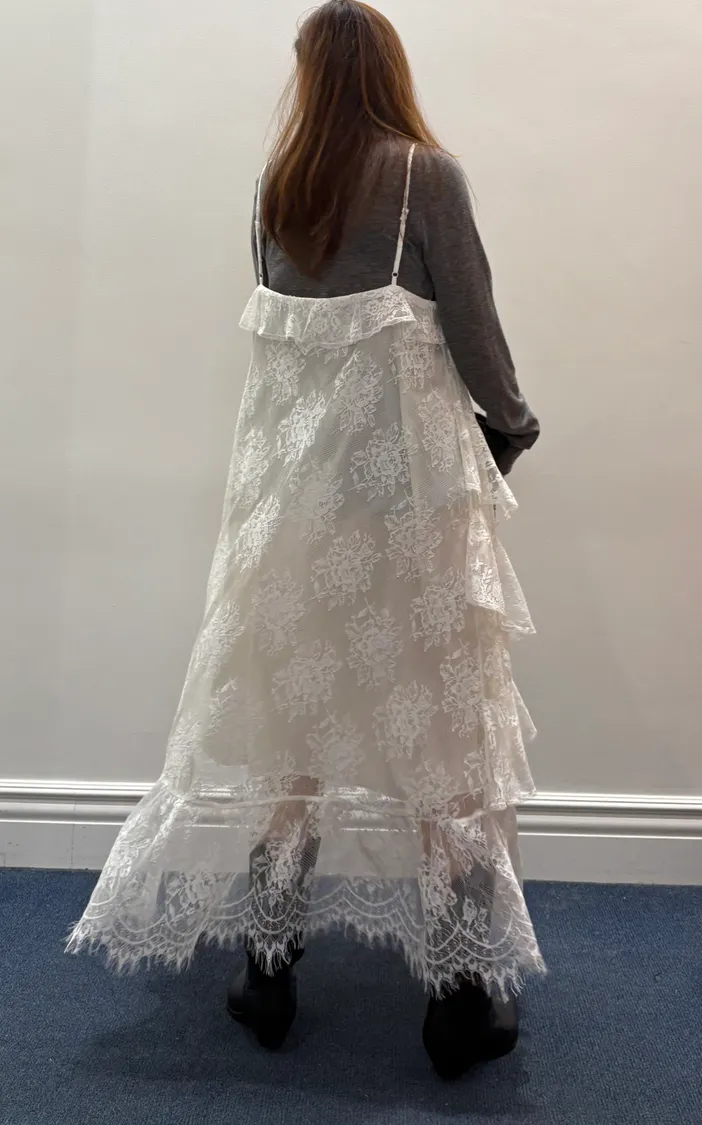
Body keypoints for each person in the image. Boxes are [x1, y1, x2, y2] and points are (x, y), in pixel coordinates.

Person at [68, 0, 544, 1081]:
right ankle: (458, 1000)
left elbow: (285, 375)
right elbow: (475, 329)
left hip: (296, 512)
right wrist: (513, 426)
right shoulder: (427, 177)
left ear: (310, 78)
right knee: (443, 739)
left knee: (295, 734)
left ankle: (268, 974)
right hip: (409, 510)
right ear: (387, 72)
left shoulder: (273, 190)